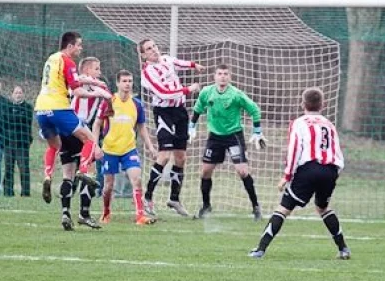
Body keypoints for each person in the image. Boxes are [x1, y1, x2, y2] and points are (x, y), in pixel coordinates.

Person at [249, 88, 349, 260]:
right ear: (323, 105)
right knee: (323, 208)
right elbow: (337, 151)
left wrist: (286, 176)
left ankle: (260, 249)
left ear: (302, 104)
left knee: (284, 208)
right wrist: (335, 172)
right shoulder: (329, 124)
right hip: (330, 170)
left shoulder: (299, 123)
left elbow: (294, 150)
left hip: (309, 169)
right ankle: (343, 249)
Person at [34, 31, 108, 230]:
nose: (80, 48)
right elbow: (77, 90)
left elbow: (72, 83)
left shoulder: (52, 59)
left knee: (61, 161)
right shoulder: (69, 63)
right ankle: (84, 212)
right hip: (66, 116)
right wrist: (100, 91)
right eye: (79, 45)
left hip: (42, 110)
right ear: (70, 46)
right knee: (91, 149)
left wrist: (94, 83)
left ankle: (59, 200)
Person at [190, 64, 266, 220]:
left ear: (230, 77)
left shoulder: (236, 94)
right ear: (214, 76)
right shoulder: (206, 92)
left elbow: (254, 109)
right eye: (219, 73)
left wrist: (257, 131)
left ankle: (256, 206)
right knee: (205, 171)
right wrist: (191, 126)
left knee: (242, 171)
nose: (222, 76)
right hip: (215, 136)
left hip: (233, 136)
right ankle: (206, 206)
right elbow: (197, 108)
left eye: (225, 74)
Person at [138, 38, 203, 217]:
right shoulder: (147, 73)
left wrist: (194, 65)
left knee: (181, 157)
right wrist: (188, 89)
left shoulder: (166, 59)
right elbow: (163, 93)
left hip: (180, 111)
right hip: (164, 113)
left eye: (154, 46)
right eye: (148, 49)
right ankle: (148, 197)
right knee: (164, 156)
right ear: (143, 55)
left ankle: (174, 199)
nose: (154, 50)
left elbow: (178, 62)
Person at [94, 70, 158, 225]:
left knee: (137, 179)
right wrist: (95, 146)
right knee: (108, 186)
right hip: (110, 149)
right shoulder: (108, 102)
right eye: (124, 81)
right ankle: (106, 212)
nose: (127, 84)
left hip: (129, 149)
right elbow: (97, 124)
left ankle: (140, 216)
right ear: (117, 83)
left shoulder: (137, 104)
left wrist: (150, 147)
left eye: (130, 81)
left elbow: (141, 127)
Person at [54, 57, 112, 228]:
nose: (100, 72)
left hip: (66, 130)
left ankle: (65, 213)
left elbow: (108, 97)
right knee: (90, 172)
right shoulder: (81, 83)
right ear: (86, 70)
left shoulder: (76, 84)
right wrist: (100, 89)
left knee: (68, 174)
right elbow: (106, 95)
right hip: (81, 131)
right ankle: (84, 214)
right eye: (96, 68)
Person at [2, 86, 34, 197]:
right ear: (12, 95)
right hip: (9, 142)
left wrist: (13, 118)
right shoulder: (7, 107)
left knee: (24, 168)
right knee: (8, 168)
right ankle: (8, 192)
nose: (18, 95)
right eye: (16, 93)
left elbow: (25, 120)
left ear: (23, 94)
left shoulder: (28, 107)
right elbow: (5, 121)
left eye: (20, 93)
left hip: (22, 143)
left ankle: (25, 193)